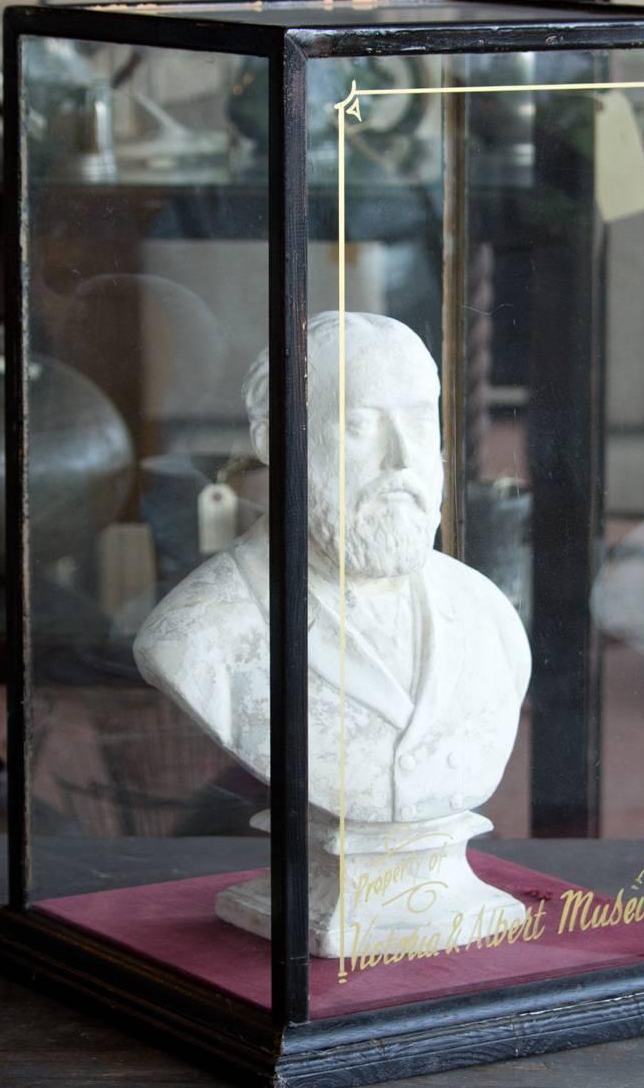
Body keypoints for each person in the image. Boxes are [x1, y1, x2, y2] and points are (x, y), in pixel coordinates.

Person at [134, 310, 531, 826]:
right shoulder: (200, 637)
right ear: (275, 440)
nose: (403, 459)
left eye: (418, 421)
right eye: (360, 425)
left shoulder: (486, 615)